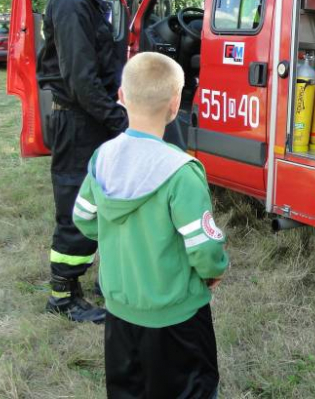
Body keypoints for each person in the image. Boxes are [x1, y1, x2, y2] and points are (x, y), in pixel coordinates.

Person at [73, 52, 229, 399]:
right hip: (178, 320)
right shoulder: (182, 171)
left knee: (128, 390)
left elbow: (82, 217)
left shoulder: (103, 157)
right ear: (175, 105)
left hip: (120, 315)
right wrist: (215, 269)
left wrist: (118, 239)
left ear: (122, 97)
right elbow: (204, 248)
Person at [37, 0, 128, 322]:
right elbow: (80, 80)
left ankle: (99, 281)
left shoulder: (86, 0)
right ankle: (62, 295)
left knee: (99, 201)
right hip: (79, 121)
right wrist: (120, 121)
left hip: (90, 118)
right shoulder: (72, 1)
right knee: (76, 205)